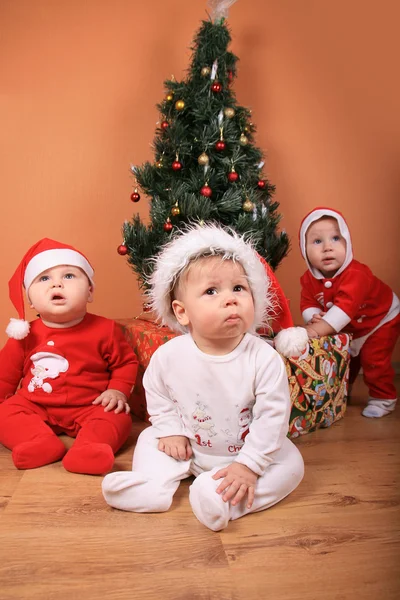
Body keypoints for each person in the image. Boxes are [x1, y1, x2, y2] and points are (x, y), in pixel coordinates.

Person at [102, 224, 304, 531]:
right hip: (187, 446)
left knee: (292, 464)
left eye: (239, 288)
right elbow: (157, 392)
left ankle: (222, 498)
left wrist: (250, 465)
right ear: (182, 313)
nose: (230, 299)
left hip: (243, 452)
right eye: (212, 291)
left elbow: (272, 418)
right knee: (148, 437)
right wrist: (170, 430)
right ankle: (152, 486)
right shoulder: (170, 356)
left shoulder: (264, 358)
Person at [0, 238, 138, 474]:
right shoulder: (25, 335)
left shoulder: (106, 329)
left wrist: (117, 390)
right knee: (5, 414)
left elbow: (125, 363)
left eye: (69, 276)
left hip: (90, 405)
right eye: (44, 278)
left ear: (90, 291)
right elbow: (5, 375)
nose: (56, 285)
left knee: (118, 417)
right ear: (31, 300)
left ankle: (90, 448)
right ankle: (38, 442)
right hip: (35, 404)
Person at [298, 207, 399, 418]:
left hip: (380, 319)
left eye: (336, 238)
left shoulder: (356, 274)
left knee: (374, 360)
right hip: (351, 327)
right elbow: (308, 302)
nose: (327, 247)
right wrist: (313, 317)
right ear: (304, 249)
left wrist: (313, 331)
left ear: (348, 243)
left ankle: (383, 398)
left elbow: (342, 312)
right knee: (343, 359)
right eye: (317, 242)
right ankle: (342, 390)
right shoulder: (308, 279)